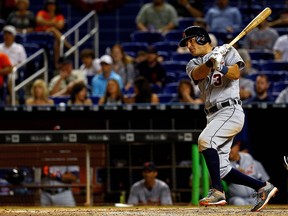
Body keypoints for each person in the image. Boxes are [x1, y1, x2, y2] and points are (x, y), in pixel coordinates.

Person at [178, 25, 278, 211]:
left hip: (230, 109)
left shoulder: (228, 50)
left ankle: (217, 191)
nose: (189, 46)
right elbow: (198, 74)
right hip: (212, 115)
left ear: (202, 39)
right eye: (187, 43)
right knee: (222, 169)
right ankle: (262, 187)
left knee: (205, 140)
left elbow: (235, 74)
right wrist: (209, 63)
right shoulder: (192, 63)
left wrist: (221, 65)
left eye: (192, 41)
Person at [228, 140, 270, 206]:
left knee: (261, 202)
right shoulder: (223, 164)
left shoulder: (249, 159)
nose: (229, 150)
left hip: (254, 198)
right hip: (237, 198)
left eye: (231, 147)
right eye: (227, 148)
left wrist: (265, 194)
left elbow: (265, 180)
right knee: (238, 202)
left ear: (237, 146)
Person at [35, 0, 72, 66]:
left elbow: (60, 25)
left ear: (55, 6)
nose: (51, 7)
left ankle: (56, 64)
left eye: (52, 5)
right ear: (46, 6)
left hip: (53, 37)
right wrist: (53, 22)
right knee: (52, 29)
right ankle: (66, 44)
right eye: (49, 5)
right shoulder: (42, 13)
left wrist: (46, 22)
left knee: (56, 43)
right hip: (41, 35)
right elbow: (39, 20)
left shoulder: (59, 16)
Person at [0, 25, 27, 100]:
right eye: (5, 34)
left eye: (9, 34)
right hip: (1, 71)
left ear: (14, 36)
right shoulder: (0, 47)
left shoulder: (19, 47)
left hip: (14, 71)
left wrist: (14, 67)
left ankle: (12, 101)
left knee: (10, 78)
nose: (7, 36)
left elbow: (24, 63)